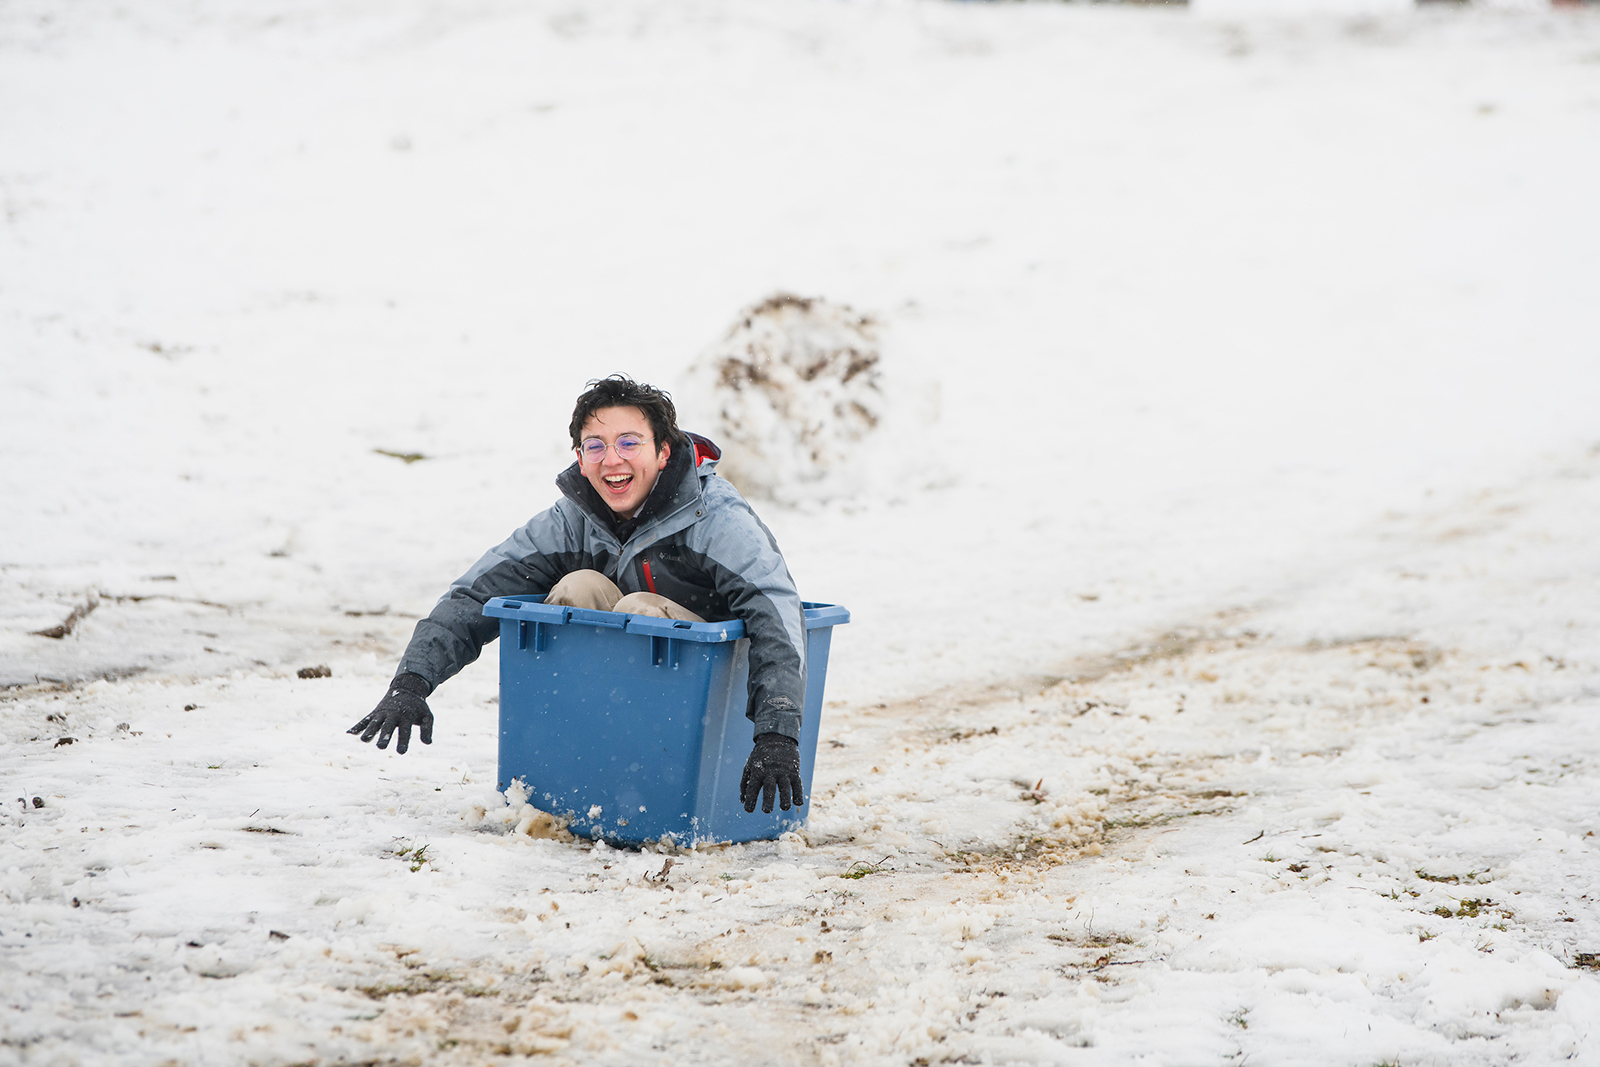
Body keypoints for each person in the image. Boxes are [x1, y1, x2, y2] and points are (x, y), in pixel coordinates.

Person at [347, 375, 809, 815]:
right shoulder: (573, 519)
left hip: (700, 700)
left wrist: (777, 733)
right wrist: (413, 681)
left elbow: (775, 610)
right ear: (580, 457)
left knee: (639, 609)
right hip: (617, 713)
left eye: (630, 442)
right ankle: (583, 771)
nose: (612, 460)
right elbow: (477, 592)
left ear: (663, 452)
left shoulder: (714, 519)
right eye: (596, 446)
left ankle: (653, 780)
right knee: (577, 586)